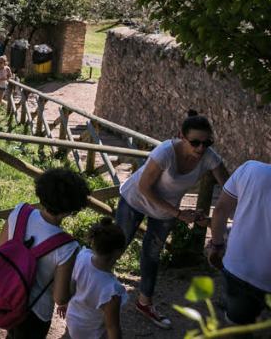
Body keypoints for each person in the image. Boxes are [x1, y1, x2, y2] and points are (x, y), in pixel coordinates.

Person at [115, 110, 229, 329]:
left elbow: (230, 188)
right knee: (117, 246)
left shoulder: (209, 157)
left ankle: (144, 303)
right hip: (135, 200)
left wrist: (218, 216)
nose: (201, 148)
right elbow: (144, 187)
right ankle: (88, 289)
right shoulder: (165, 152)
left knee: (152, 255)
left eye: (207, 143)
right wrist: (179, 214)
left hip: (165, 211)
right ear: (181, 136)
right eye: (195, 142)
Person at [0, 168, 90, 339]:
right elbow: (60, 297)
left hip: (7, 296)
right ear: (71, 210)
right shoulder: (67, 247)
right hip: (35, 312)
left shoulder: (19, 212)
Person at [206, 160, 270, 330]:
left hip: (239, 268)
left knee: (236, 327)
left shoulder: (249, 169)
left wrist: (217, 246)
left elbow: (220, 210)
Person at [63, 218, 128, 339]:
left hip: (73, 321)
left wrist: (64, 303)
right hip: (92, 332)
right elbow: (112, 327)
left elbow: (70, 287)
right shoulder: (111, 290)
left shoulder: (82, 256)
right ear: (118, 253)